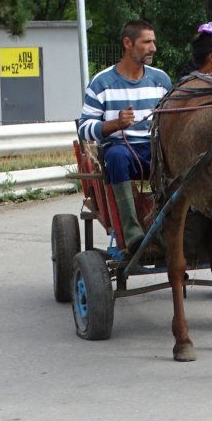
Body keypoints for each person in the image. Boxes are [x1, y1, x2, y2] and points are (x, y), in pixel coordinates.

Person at [77, 20, 172, 253]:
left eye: (154, 42)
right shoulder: (102, 83)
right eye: (147, 42)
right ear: (128, 43)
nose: (153, 48)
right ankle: (132, 234)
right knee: (117, 156)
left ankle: (174, 229)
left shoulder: (161, 80)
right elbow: (84, 128)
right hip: (121, 149)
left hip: (154, 149)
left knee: (181, 158)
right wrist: (115, 124)